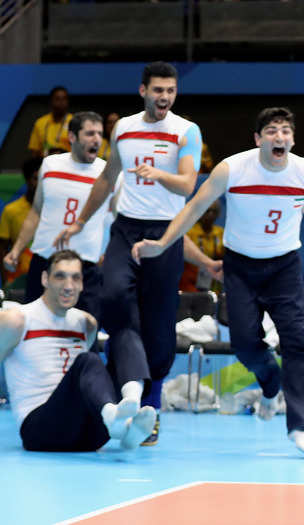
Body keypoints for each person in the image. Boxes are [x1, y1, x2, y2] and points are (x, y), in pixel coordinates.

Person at [131, 107, 304, 456]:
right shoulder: (232, 169)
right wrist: (164, 243)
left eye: (285, 131)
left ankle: (299, 425)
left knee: (298, 342)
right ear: (258, 139)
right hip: (240, 266)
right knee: (244, 343)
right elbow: (194, 207)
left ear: (293, 139)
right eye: (271, 131)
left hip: (285, 266)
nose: (279, 137)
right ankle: (270, 383)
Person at [54, 61, 202, 447]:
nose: (165, 97)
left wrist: (160, 176)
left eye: (170, 90)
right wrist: (80, 221)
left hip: (165, 235)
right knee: (114, 296)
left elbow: (186, 184)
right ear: (143, 91)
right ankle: (123, 380)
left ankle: (148, 406)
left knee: (158, 326)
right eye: (158, 90)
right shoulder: (123, 128)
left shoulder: (186, 131)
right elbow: (107, 179)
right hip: (126, 227)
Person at [0, 250, 156, 452]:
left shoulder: (85, 323)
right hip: (40, 432)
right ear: (45, 279)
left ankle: (128, 410)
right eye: (60, 276)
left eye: (75, 278)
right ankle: (115, 418)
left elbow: (92, 382)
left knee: (126, 335)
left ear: (83, 284)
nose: (68, 286)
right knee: (87, 361)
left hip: (86, 434)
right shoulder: (17, 319)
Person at [4, 112, 109, 321]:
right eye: (89, 133)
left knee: (84, 334)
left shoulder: (107, 173)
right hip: (45, 261)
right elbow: (36, 211)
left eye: (99, 133)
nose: (96, 139)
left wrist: (106, 255)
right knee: (34, 328)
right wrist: (16, 250)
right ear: (72, 137)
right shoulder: (50, 165)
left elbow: (114, 218)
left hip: (85, 267)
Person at [0, 158, 41, 287]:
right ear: (27, 180)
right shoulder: (11, 210)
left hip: (47, 277)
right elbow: (1, 248)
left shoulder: (55, 210)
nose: (40, 183)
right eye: (36, 178)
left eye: (43, 179)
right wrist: (6, 280)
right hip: (18, 279)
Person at [179, 200, 224, 292]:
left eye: (214, 211)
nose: (210, 214)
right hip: (190, 282)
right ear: (200, 212)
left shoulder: (221, 233)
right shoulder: (188, 232)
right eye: (207, 210)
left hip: (214, 282)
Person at [28, 86, 73, 158]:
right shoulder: (40, 123)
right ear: (51, 101)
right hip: (45, 163)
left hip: (69, 165)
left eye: (64, 99)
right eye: (57, 99)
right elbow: (35, 151)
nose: (61, 102)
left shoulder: (75, 122)